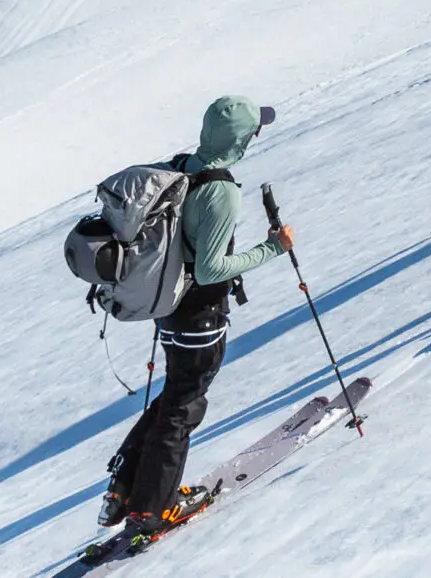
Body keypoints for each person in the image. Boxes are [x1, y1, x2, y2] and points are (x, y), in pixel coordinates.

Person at [100, 96, 294, 549]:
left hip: (167, 307)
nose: (257, 134)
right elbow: (210, 269)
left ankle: (124, 488)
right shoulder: (221, 190)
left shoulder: (182, 165)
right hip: (199, 314)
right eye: (254, 129)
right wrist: (272, 249)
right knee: (183, 408)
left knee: (173, 398)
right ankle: (153, 510)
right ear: (242, 138)